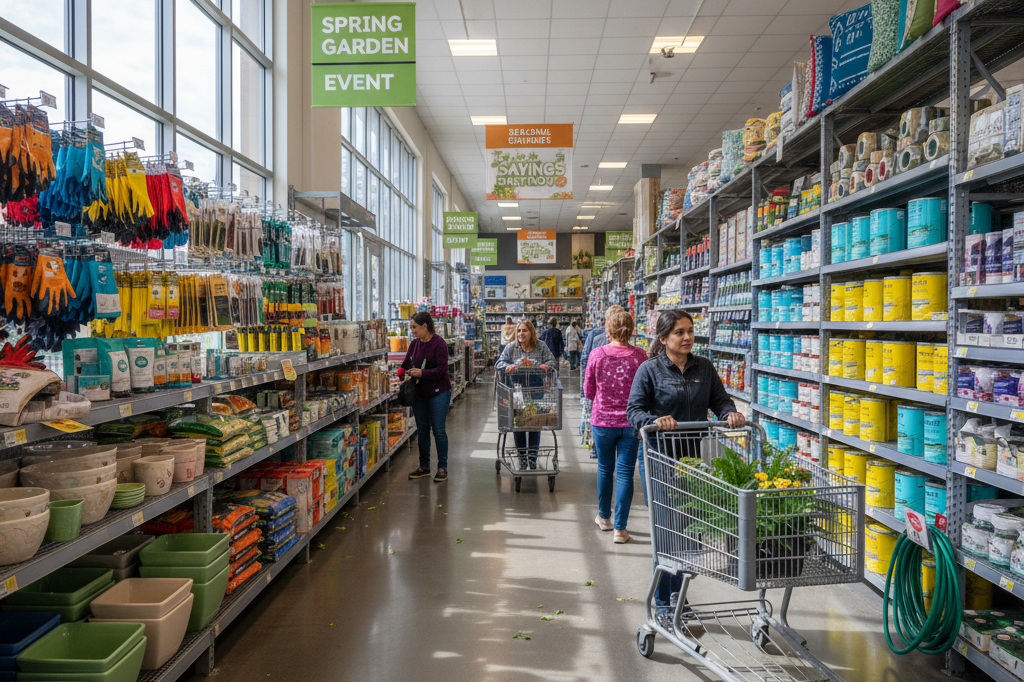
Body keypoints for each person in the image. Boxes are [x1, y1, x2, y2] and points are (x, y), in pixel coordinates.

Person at [627, 309, 746, 611]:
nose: (687, 337)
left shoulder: (704, 367)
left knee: (687, 531)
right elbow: (634, 411)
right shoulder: (649, 370)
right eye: (679, 332)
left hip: (691, 460)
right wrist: (656, 419)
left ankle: (679, 595)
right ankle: (663, 601)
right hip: (659, 457)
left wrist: (728, 414)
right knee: (666, 529)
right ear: (663, 338)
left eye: (690, 331)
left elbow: (721, 400)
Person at [584, 308, 649, 544]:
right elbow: (646, 390)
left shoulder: (597, 354)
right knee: (625, 473)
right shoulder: (640, 356)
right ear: (631, 330)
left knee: (604, 468)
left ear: (608, 330)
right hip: (631, 422)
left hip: (602, 420)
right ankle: (620, 530)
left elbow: (588, 391)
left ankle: (604, 518)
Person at [494, 319, 556, 469]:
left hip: (536, 391)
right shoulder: (511, 347)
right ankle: (522, 458)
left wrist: (545, 366)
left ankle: (532, 459)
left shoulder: (541, 347)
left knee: (535, 424)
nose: (521, 333)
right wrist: (508, 366)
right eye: (519, 330)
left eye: (524, 330)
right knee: (519, 425)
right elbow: (499, 363)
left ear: (531, 332)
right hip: (517, 393)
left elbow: (552, 362)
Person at [401, 312, 452, 483]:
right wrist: (402, 371)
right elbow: (407, 362)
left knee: (438, 429)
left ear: (424, 326)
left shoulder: (439, 344)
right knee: (422, 430)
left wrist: (422, 373)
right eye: (411, 328)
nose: (412, 331)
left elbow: (442, 370)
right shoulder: (414, 344)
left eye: (414, 327)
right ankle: (424, 466)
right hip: (419, 393)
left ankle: (442, 467)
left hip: (439, 392)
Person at [579, 306, 622, 459]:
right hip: (601, 393)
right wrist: (584, 393)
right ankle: (596, 447)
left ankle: (599, 448)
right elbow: (585, 363)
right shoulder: (595, 336)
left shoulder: (624, 339)